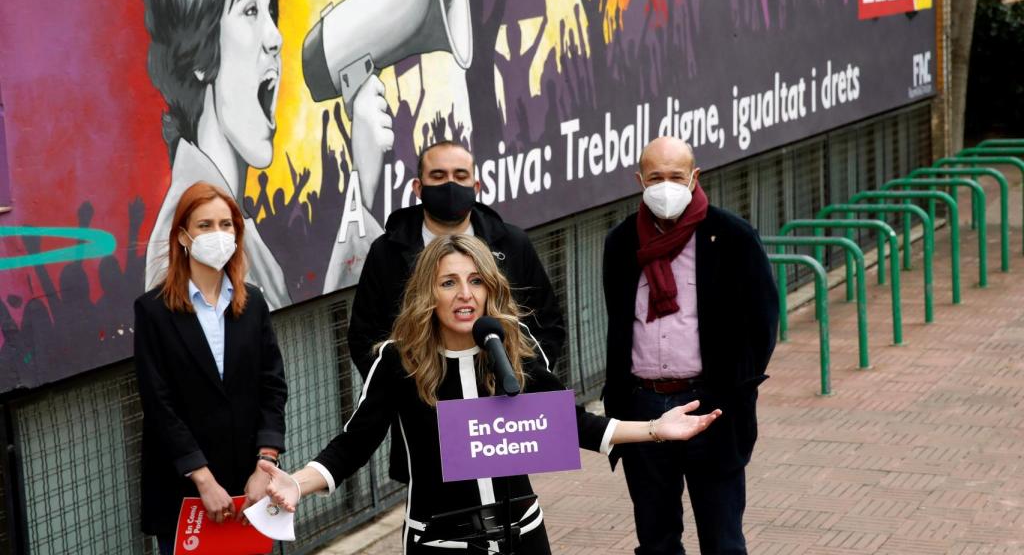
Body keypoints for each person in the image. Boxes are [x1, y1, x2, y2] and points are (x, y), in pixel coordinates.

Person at [256, 233, 719, 553]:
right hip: (440, 543)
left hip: (523, 536)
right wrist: (296, 482)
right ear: (427, 293)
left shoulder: (512, 344)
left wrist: (658, 429)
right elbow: (353, 444)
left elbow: (574, 424)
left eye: (476, 281)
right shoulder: (400, 360)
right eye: (449, 282)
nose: (465, 294)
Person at [347, 140, 566, 482]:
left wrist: (519, 379)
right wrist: (407, 389)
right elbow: (365, 335)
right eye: (438, 175)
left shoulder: (511, 243)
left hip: (500, 417)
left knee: (505, 505)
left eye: (460, 175)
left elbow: (546, 323)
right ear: (418, 187)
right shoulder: (387, 253)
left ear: (476, 186)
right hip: (425, 413)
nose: (450, 184)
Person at [602, 137, 778, 555]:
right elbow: (618, 323)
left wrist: (736, 392)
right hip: (644, 409)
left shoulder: (731, 236)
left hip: (710, 407)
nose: (666, 186)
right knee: (656, 540)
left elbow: (762, 322)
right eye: (656, 177)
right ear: (640, 181)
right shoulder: (622, 242)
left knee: (723, 542)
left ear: (695, 177)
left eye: (676, 177)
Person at [134, 181, 288, 555]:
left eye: (226, 224)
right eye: (205, 225)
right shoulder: (153, 311)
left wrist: (264, 465)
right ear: (184, 236)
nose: (217, 234)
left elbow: (273, 387)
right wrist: (202, 479)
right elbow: (159, 403)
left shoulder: (253, 305)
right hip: (183, 488)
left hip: (249, 483)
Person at [142, 0, 291, 309]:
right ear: (198, 53)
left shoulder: (233, 215)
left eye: (271, 11)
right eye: (250, 10)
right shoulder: (181, 234)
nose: (276, 38)